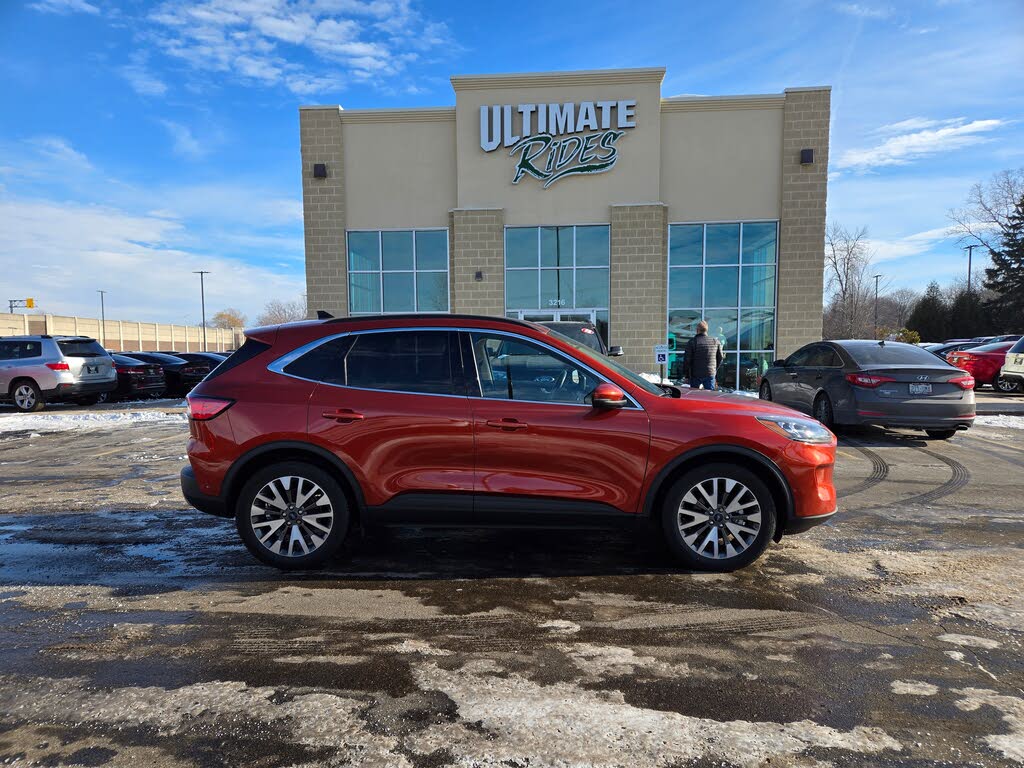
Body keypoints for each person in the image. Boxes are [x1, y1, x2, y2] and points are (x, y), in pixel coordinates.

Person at [683, 320, 724, 390]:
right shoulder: (715, 341)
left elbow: (687, 360)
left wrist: (686, 375)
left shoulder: (692, 342)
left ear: (697, 330)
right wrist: (714, 369)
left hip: (695, 374)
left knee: (694, 396)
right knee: (709, 396)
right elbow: (720, 358)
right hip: (710, 373)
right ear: (707, 330)